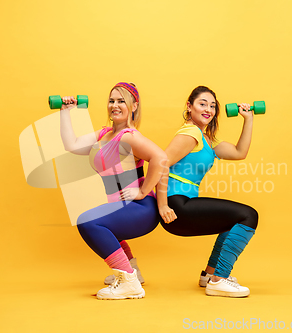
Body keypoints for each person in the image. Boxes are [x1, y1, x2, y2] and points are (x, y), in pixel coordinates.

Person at [59, 82, 167, 300]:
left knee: (88, 222)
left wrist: (142, 191)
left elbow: (161, 158)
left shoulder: (129, 136)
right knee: (102, 224)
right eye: (112, 101)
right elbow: (71, 145)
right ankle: (133, 269)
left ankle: (129, 280)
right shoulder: (104, 134)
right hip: (121, 206)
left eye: (122, 101)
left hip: (141, 208)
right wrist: (65, 113)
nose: (115, 105)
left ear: (134, 106)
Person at [157, 85, 259, 297]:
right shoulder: (190, 133)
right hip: (176, 205)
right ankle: (219, 279)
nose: (208, 109)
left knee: (233, 221)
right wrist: (163, 205)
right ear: (189, 106)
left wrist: (248, 119)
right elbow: (161, 164)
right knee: (249, 215)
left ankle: (210, 274)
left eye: (212, 106)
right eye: (202, 104)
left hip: (184, 204)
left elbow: (240, 153)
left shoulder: (207, 140)